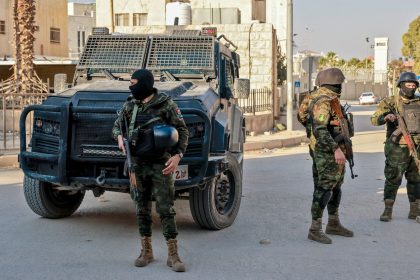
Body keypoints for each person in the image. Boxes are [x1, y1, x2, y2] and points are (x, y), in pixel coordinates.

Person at [112, 69, 189, 272]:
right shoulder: (130, 105)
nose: (131, 85)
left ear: (145, 83)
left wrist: (178, 155)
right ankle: (146, 250)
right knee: (141, 208)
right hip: (137, 164)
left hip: (161, 164)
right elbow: (116, 127)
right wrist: (119, 137)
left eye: (134, 82)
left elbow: (182, 130)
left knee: (165, 209)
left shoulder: (165, 104)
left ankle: (173, 255)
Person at [305, 68, 354, 244]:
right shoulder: (323, 101)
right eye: (340, 83)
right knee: (324, 188)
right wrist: (336, 149)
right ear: (335, 84)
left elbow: (304, 118)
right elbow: (320, 129)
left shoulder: (327, 99)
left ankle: (333, 223)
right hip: (326, 152)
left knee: (336, 187)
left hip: (333, 149)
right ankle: (315, 229)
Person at [371, 71, 420, 222]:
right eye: (408, 85)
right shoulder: (390, 102)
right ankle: (388, 209)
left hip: (417, 147)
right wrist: (385, 117)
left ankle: (415, 210)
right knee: (393, 178)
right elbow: (374, 119)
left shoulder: (418, 102)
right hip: (398, 147)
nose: (411, 88)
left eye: (414, 85)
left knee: (416, 179)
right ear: (400, 85)